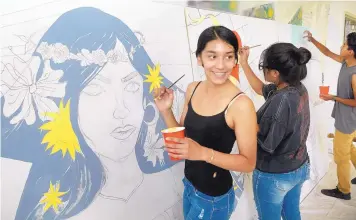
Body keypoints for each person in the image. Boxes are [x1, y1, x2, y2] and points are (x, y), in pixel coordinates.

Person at [1, 7, 185, 220]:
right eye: (96, 89)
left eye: (132, 86)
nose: (121, 110)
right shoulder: (58, 213)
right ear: (67, 105)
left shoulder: (176, 186)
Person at [154, 25, 257, 220]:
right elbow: (184, 139)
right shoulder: (193, 89)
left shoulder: (241, 105)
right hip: (190, 185)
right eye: (212, 56)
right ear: (199, 58)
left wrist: (201, 153)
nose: (221, 65)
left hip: (214, 199)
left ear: (236, 59)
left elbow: (248, 163)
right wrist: (166, 110)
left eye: (228, 56)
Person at [239, 42, 311, 220]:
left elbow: (267, 144)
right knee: (292, 214)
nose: (263, 71)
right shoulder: (296, 89)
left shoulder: (281, 100)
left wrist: (244, 121)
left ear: (275, 73)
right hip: (299, 166)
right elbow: (260, 88)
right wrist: (244, 63)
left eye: (265, 68)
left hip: (276, 175)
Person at [305, 31, 356, 200]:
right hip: (348, 118)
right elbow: (327, 52)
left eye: (344, 44)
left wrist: (333, 97)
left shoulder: (354, 74)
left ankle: (344, 190)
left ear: (351, 51)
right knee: (348, 147)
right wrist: (312, 39)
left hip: (348, 120)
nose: (341, 46)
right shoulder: (345, 62)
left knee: (341, 155)